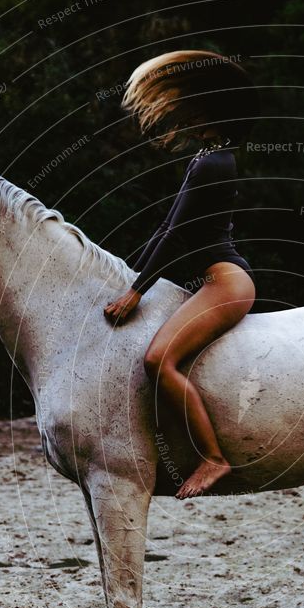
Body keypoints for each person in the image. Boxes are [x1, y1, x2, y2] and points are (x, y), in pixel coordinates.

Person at [103, 50, 260, 499]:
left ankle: (214, 457)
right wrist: (129, 277)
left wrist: (136, 292)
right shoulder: (207, 158)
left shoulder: (215, 161)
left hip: (226, 281)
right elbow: (163, 229)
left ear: (209, 112)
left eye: (191, 106)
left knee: (158, 360)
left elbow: (174, 236)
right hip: (218, 279)